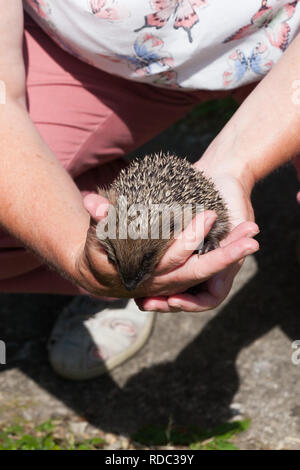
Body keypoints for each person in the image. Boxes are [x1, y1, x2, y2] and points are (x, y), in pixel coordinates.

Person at [1, 0, 299, 379]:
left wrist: (240, 160)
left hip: (284, 42)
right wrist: (75, 253)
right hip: (86, 54)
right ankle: (106, 288)